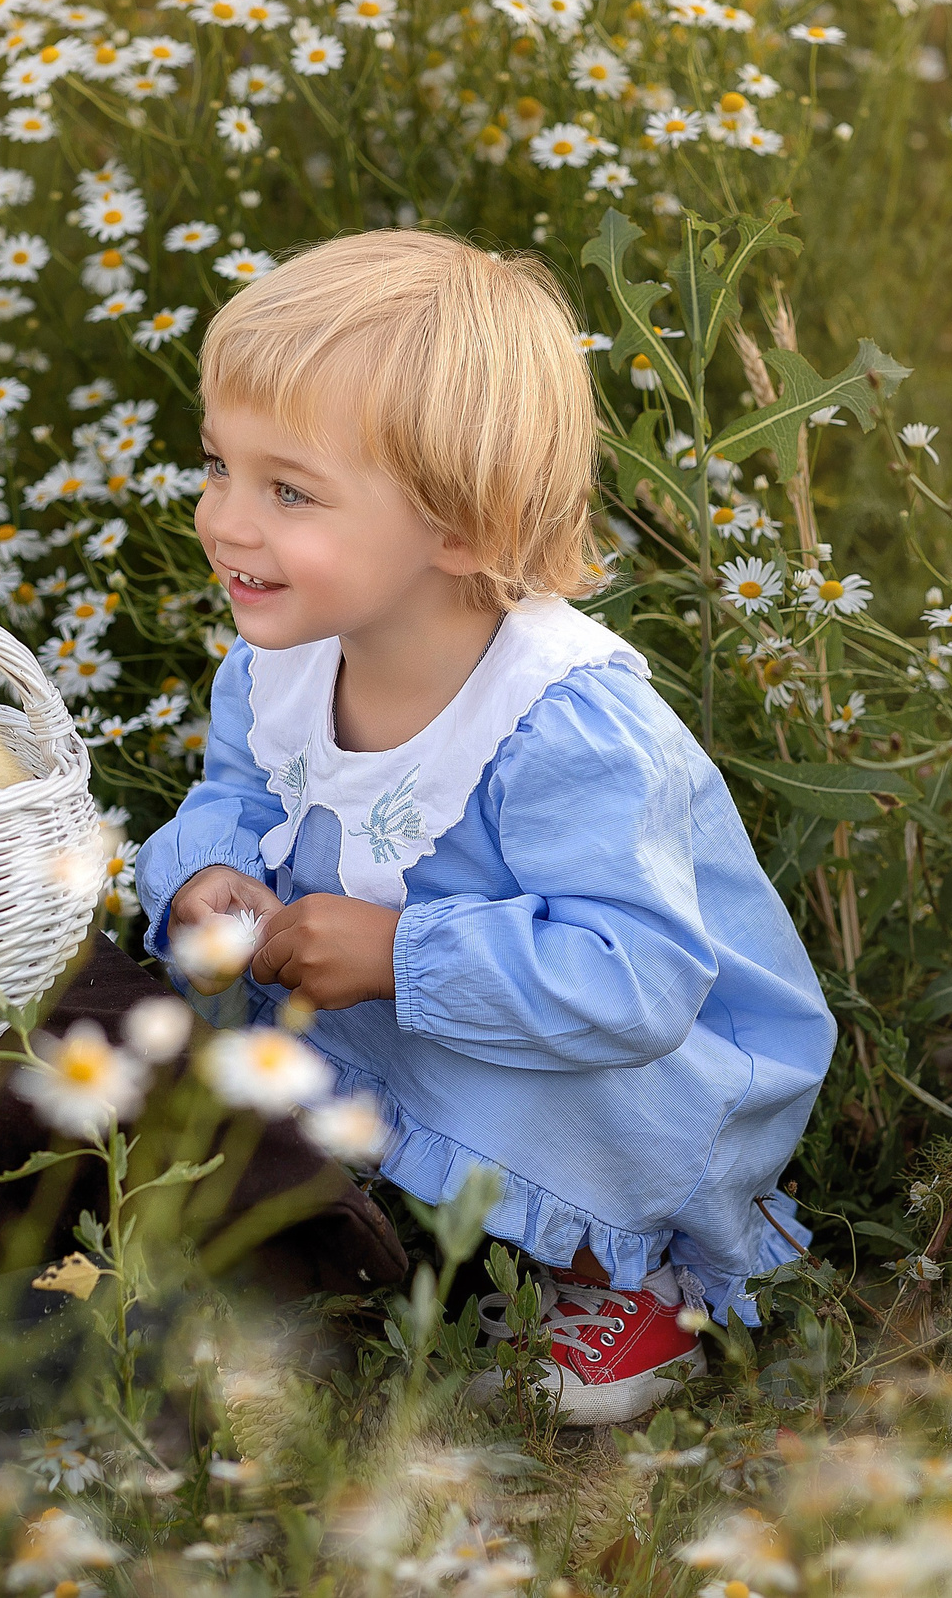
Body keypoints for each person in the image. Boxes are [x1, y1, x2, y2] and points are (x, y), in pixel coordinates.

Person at [134, 229, 837, 1425]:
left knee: (581, 1091)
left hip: (622, 1059)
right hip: (414, 1006)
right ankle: (381, 1184)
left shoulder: (562, 726)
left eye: (287, 489)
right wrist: (202, 871)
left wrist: (399, 955)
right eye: (218, 469)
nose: (225, 522)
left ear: (458, 529)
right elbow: (242, 800)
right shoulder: (279, 663)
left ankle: (629, 1268)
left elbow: (642, 980)